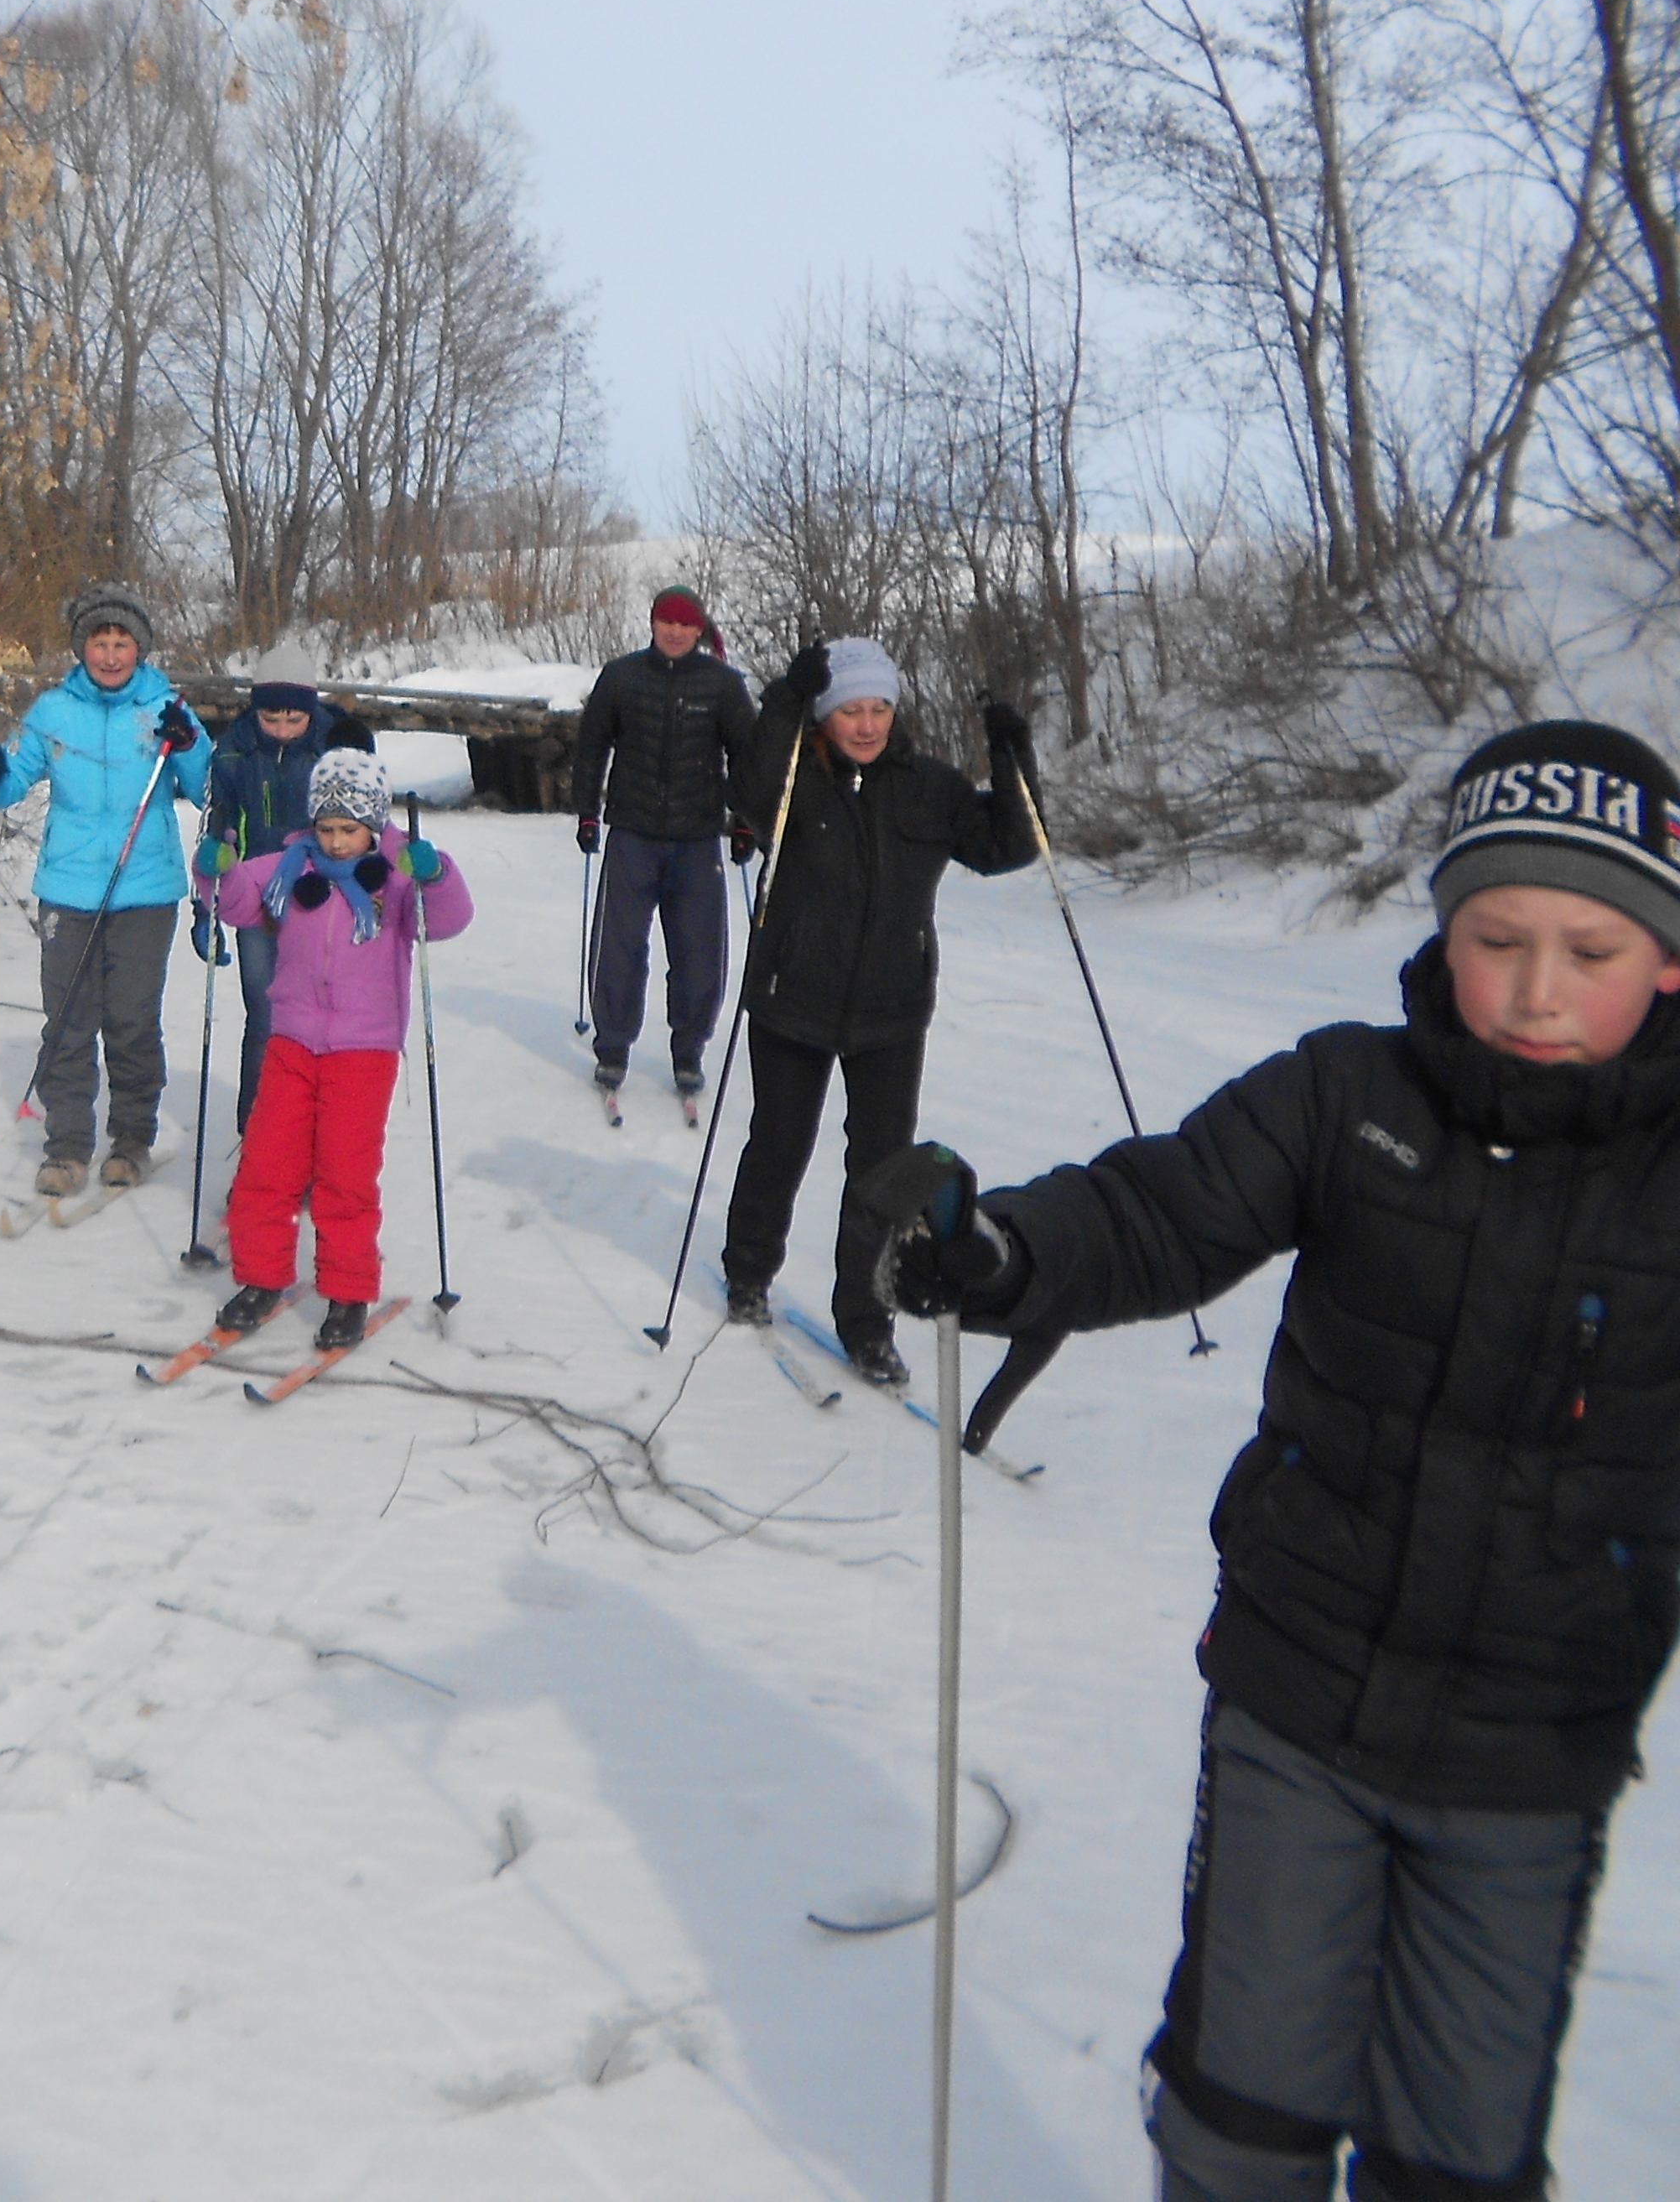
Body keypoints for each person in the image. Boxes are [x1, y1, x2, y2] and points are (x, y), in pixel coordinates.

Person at [868, 718, 1680, 2202]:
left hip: (1534, 1750)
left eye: (1594, 950)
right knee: (1240, 2125)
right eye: (1500, 939)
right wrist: (1000, 1253)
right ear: (1446, 926)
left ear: (1670, 959)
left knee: (1463, 2162)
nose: (1539, 991)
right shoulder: (1352, 1097)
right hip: (1300, 1700)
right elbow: (1163, 1212)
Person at [714, 635, 1033, 1383]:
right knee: (780, 1146)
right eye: (849, 710)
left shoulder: (932, 787)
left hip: (891, 1012)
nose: (865, 724)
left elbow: (1009, 844)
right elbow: (750, 792)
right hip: (793, 999)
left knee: (884, 1174)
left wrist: (1012, 753)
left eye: (878, 708)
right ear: (826, 718)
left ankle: (867, 1321)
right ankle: (749, 1275)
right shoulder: (796, 780)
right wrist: (787, 701)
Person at [200, 748, 473, 1352]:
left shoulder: (397, 875)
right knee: (267, 1165)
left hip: (363, 1050)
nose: (336, 841)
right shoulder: (294, 864)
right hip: (293, 1041)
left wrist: (436, 876)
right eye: (326, 828)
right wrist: (216, 871)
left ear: (373, 824)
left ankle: (348, 1293)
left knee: (344, 1176)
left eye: (348, 830)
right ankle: (260, 1278)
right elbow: (240, 899)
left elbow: (447, 920)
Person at [0, 580, 208, 1197]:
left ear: (140, 648)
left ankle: (130, 1139)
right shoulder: (51, 711)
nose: (111, 654)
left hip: (145, 890)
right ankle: (67, 1147)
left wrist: (191, 742)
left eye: (122, 642)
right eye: (100, 641)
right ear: (83, 647)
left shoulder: (164, 707)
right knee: (68, 1019)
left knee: (130, 1020)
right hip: (69, 888)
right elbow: (10, 783)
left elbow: (208, 788)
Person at [568, 583, 759, 1109]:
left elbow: (748, 758)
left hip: (697, 840)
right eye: (666, 622)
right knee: (619, 948)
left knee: (700, 954)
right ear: (652, 624)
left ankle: (689, 1048)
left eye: (685, 624)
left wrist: (745, 825)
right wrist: (587, 809)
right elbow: (592, 746)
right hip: (632, 833)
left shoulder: (722, 685)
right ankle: (612, 1046)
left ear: (700, 630)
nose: (675, 632)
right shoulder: (622, 676)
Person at [192, 641, 378, 1132]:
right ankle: (257, 1138)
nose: (281, 729)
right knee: (267, 1015)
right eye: (270, 718)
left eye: (293, 719)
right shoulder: (232, 750)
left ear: (310, 710)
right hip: (257, 896)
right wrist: (204, 906)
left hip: (323, 895)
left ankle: (316, 1136)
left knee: (318, 1015)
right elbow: (216, 823)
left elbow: (366, 819)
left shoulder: (333, 745)